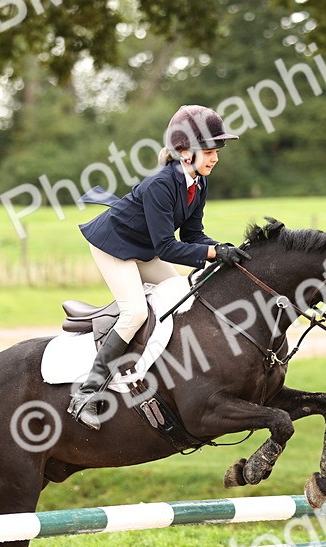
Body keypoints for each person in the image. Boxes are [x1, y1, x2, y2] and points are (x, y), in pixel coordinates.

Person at [69, 104, 251, 430]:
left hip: (143, 248)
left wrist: (222, 249)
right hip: (114, 247)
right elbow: (167, 247)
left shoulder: (199, 182)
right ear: (184, 153)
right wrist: (211, 254)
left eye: (216, 152)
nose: (215, 159)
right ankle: (86, 393)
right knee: (135, 313)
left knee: (184, 295)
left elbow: (193, 235)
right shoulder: (161, 185)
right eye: (208, 151)